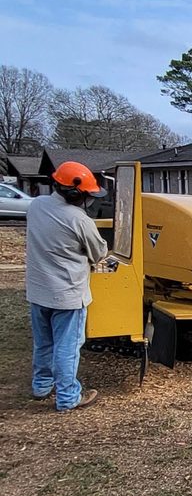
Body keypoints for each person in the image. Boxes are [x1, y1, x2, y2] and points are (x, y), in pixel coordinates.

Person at [25, 161, 108, 411]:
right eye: (87, 195)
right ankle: (68, 397)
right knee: (67, 348)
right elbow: (99, 252)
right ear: (75, 194)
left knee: (44, 343)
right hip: (67, 295)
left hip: (38, 290)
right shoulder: (79, 219)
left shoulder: (36, 205)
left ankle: (41, 386)